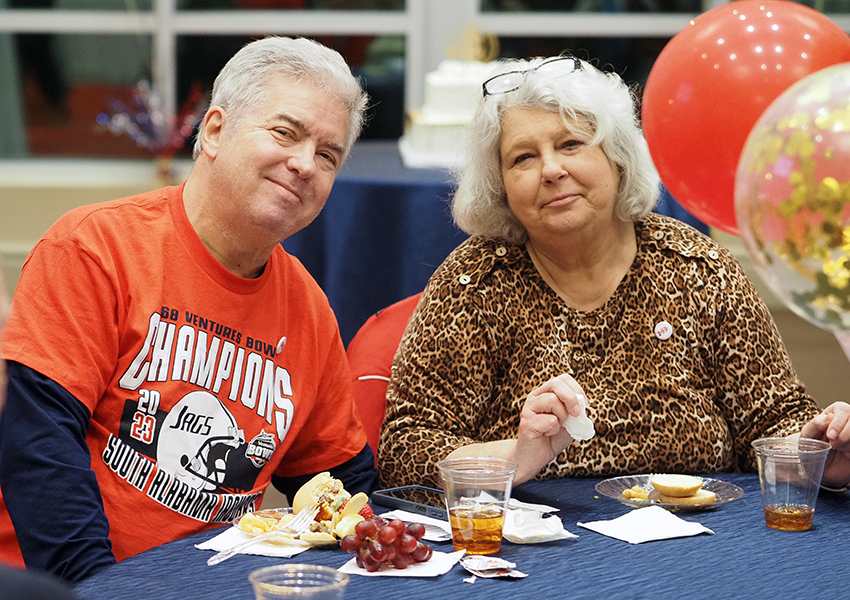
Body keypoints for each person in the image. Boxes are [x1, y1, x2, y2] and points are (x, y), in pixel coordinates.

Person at [0, 36, 378, 584]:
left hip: (224, 583)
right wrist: (105, 593)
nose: (304, 165)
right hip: (70, 583)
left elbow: (339, 483)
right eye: (284, 133)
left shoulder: (309, 308)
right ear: (216, 129)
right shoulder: (93, 250)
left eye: (328, 155)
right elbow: (39, 448)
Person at [377, 55, 850, 492]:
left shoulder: (698, 267)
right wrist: (516, 457)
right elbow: (406, 449)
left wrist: (820, 453)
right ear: (499, 186)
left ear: (617, 157)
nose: (551, 169)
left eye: (571, 144)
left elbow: (771, 422)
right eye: (523, 157)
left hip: (702, 545)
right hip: (536, 555)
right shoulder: (473, 283)